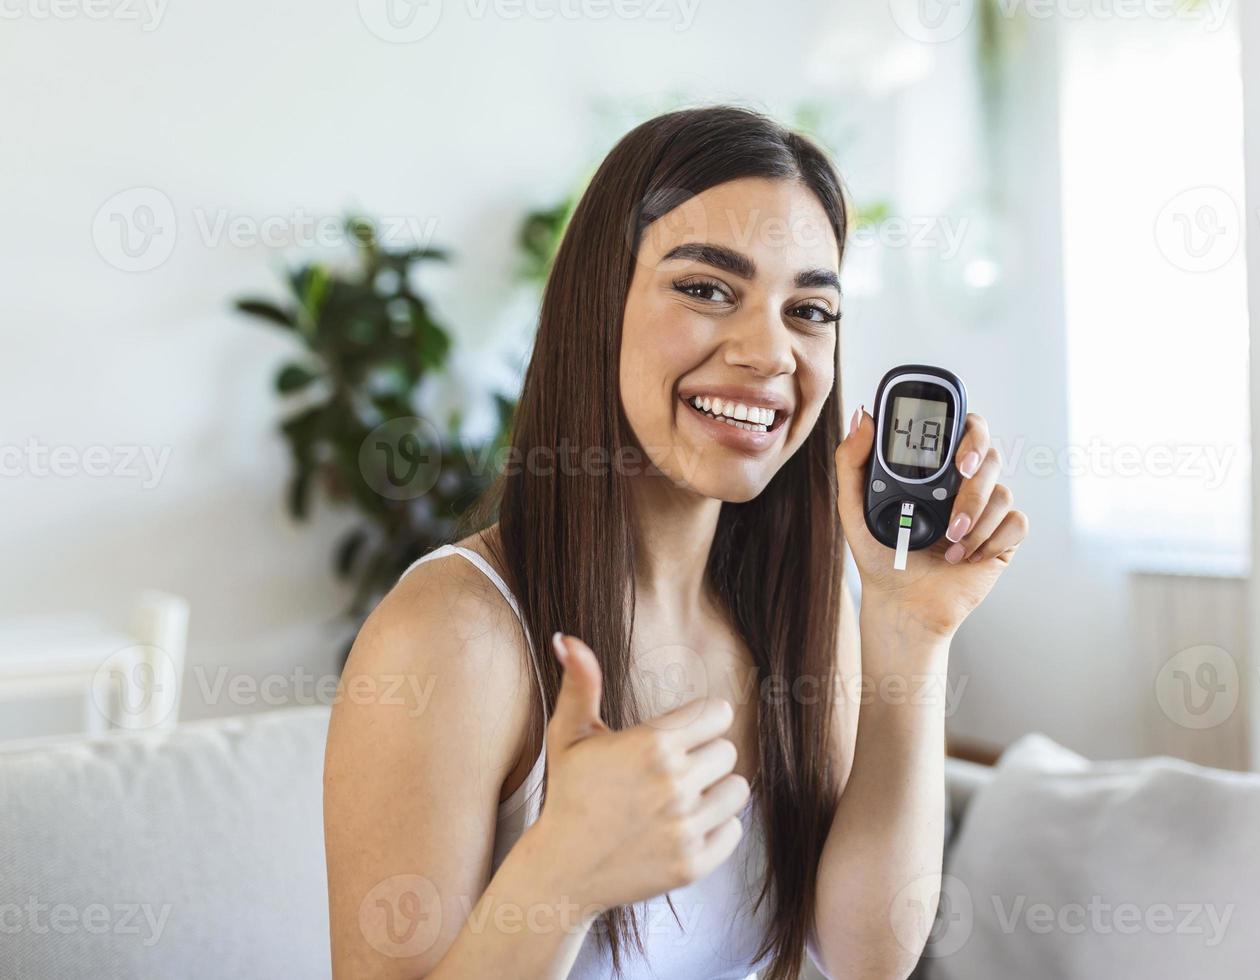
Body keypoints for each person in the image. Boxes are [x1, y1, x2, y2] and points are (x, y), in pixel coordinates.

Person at [324, 104, 1028, 980]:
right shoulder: (451, 633)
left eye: (809, 309)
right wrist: (559, 877)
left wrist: (913, 637)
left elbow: (864, 954)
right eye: (705, 289)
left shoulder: (805, 613)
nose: (771, 353)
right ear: (599, 302)